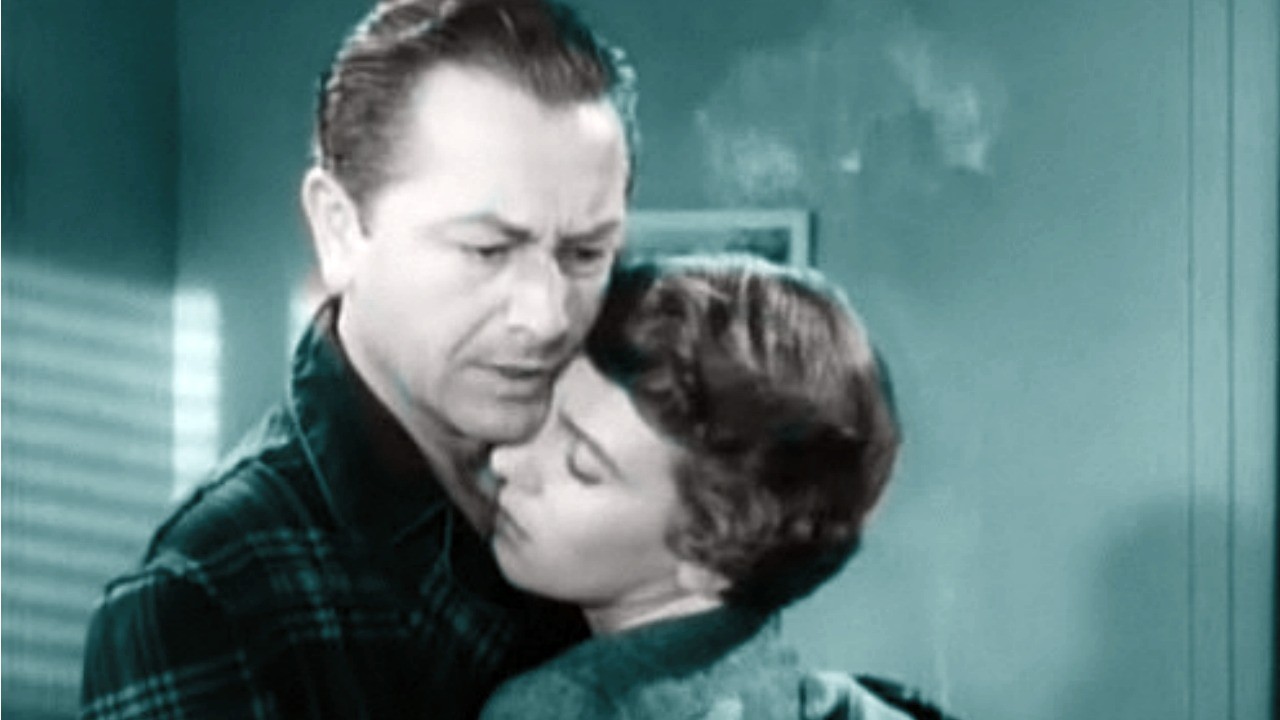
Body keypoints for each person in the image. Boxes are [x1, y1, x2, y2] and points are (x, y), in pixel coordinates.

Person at [79, 1, 635, 718]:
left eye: (585, 253)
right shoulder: (206, 596)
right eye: (487, 250)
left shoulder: (633, 493)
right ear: (339, 231)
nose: (548, 315)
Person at [478, 254, 910, 719]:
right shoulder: (774, 684)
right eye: (539, 410)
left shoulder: (562, 704)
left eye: (581, 465)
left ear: (712, 553)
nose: (505, 460)